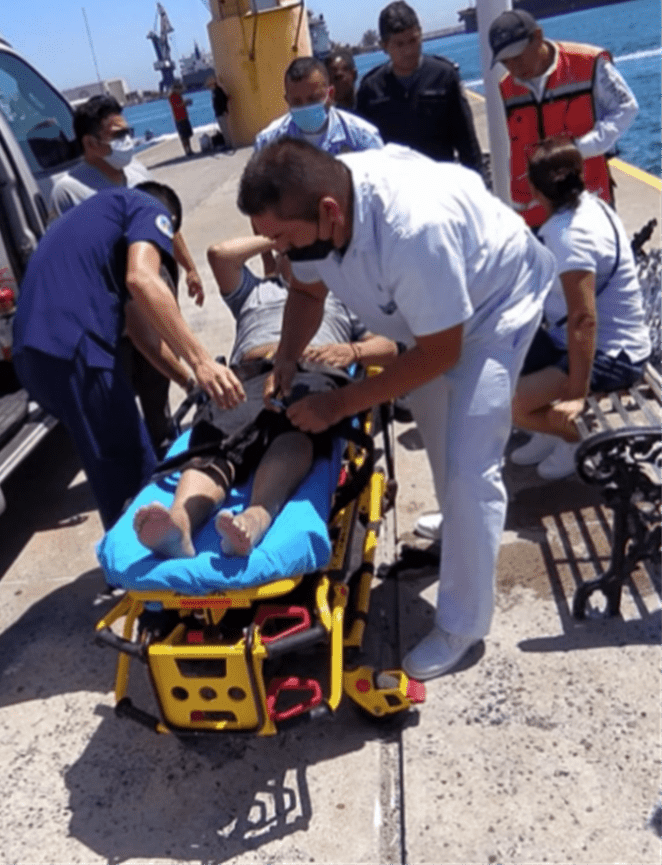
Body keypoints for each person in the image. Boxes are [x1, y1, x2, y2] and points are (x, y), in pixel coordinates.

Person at [237, 138, 555, 680]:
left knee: (469, 467)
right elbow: (308, 296)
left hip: (495, 306)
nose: (279, 252)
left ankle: (462, 625)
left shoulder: (413, 230)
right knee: (436, 429)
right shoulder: (317, 211)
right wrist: (287, 356)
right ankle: (458, 527)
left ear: (329, 212)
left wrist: (338, 402)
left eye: (283, 238)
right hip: (426, 318)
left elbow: (442, 352)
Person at [134, 232, 398, 558]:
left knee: (298, 426)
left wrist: (352, 351)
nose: (302, 261)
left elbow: (389, 347)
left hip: (311, 369)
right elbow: (219, 252)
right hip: (250, 373)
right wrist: (278, 237)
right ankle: (179, 525)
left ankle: (255, 518)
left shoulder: (340, 298)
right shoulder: (255, 291)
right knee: (216, 440)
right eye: (294, 253)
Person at [12, 183, 245, 531]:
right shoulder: (147, 208)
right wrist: (202, 360)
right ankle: (146, 569)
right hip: (77, 347)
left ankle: (128, 565)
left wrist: (189, 381)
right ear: (168, 220)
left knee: (110, 462)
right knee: (134, 468)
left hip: (35, 357)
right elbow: (142, 278)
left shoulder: (95, 222)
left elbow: (143, 336)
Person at [50, 93, 205, 449]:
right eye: (118, 135)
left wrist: (190, 268)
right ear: (90, 142)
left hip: (154, 286)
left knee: (157, 381)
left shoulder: (137, 173)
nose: (127, 140)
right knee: (120, 391)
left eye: (128, 130)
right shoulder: (70, 191)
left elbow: (165, 222)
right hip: (111, 308)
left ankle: (164, 440)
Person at [510, 137, 651, 479]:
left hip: (613, 355)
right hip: (579, 338)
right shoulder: (593, 205)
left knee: (505, 404)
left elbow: (584, 320)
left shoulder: (568, 236)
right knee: (504, 357)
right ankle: (549, 431)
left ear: (534, 188)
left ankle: (581, 440)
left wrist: (576, 394)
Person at [489, 8, 639, 228]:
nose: (514, 68)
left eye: (518, 57)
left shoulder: (587, 63)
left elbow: (626, 107)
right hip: (535, 214)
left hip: (587, 202)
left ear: (537, 37)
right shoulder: (506, 87)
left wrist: (582, 148)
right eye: (505, 62)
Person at [356, 0, 485, 178]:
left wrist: (477, 189)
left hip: (440, 185)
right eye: (400, 44)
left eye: (413, 40)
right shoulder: (371, 89)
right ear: (384, 46)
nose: (409, 50)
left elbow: (467, 141)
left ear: (421, 35)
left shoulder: (444, 76)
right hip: (395, 191)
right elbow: (364, 151)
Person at [254, 56, 383, 154]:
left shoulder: (362, 137)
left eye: (313, 99)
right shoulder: (268, 143)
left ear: (330, 95)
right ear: (287, 100)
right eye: (297, 102)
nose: (305, 106)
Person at [325, 48, 358, 113]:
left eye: (337, 78)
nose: (331, 86)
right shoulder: (329, 116)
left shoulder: (372, 106)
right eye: (328, 82)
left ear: (353, 75)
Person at [168, 82, 194, 156]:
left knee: (188, 135)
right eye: (179, 89)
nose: (180, 91)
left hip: (184, 116)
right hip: (178, 118)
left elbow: (181, 105)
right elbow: (176, 106)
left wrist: (185, 103)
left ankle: (190, 149)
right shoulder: (172, 96)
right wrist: (184, 103)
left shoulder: (179, 95)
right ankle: (187, 151)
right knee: (183, 136)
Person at [208, 76, 232, 149]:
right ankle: (227, 143)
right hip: (218, 113)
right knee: (223, 129)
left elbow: (223, 100)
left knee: (225, 129)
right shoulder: (214, 92)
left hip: (221, 112)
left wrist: (224, 110)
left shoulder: (218, 91)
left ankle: (229, 144)